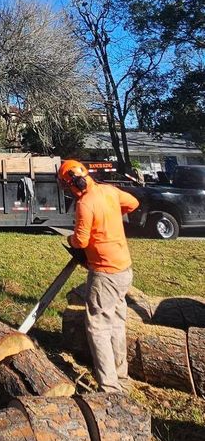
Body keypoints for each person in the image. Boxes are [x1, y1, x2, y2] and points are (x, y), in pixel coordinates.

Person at [58, 159, 140, 394]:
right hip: (124, 269)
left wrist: (70, 241)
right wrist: (113, 213)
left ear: (71, 184)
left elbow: (81, 240)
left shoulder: (85, 204)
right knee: (116, 322)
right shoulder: (109, 192)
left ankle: (110, 387)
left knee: (98, 327)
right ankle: (121, 376)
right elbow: (133, 203)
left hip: (104, 273)